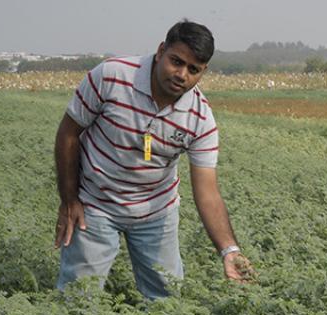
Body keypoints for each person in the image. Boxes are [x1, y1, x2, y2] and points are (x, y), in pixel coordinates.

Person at [53, 19, 252, 299]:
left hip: (156, 212)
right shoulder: (112, 77)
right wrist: (69, 200)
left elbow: (207, 192)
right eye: (176, 61)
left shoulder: (200, 119)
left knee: (167, 299)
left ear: (203, 72)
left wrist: (229, 250)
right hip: (95, 204)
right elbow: (68, 134)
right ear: (160, 51)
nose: (182, 74)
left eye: (193, 70)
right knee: (77, 298)